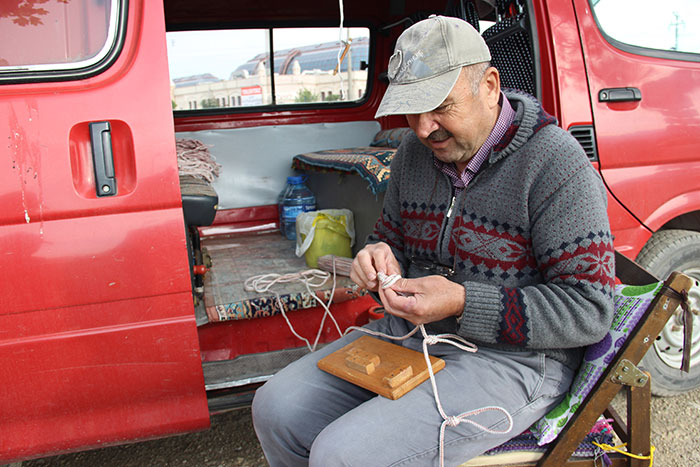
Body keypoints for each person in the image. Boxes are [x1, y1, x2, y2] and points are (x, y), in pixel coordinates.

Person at [252, 15, 615, 466]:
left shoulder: (556, 165)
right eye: (412, 109)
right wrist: (376, 256)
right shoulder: (412, 154)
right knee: (275, 408)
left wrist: (463, 301)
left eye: (441, 106)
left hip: (516, 361)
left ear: (489, 85)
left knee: (342, 456)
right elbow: (390, 238)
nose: (424, 129)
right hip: (416, 335)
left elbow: (589, 310)